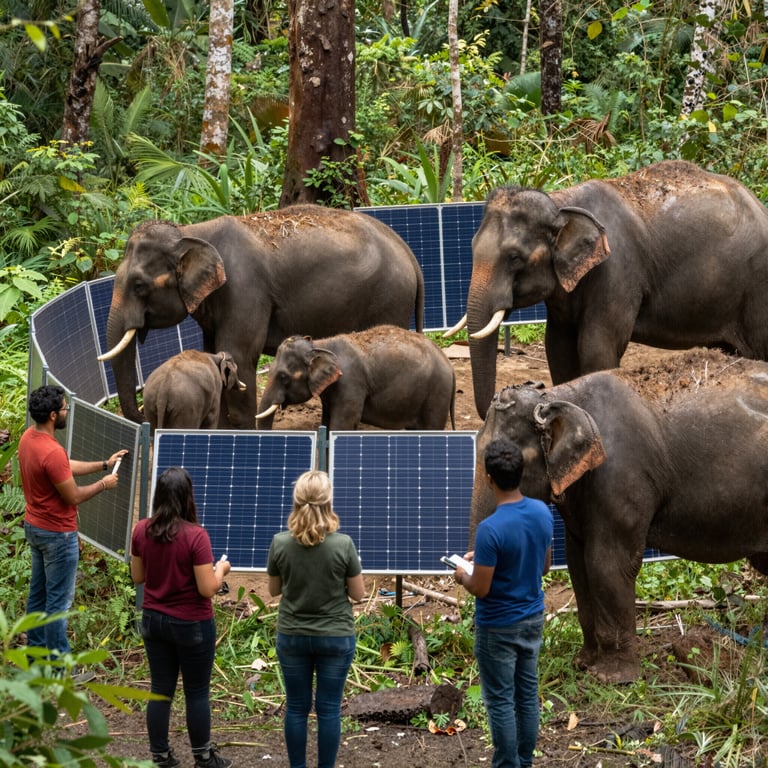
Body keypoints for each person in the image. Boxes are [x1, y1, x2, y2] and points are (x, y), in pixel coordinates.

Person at [455, 438, 553, 768]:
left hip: (497, 626)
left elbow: (480, 588)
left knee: (500, 700)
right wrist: (483, 559)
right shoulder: (542, 512)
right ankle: (524, 762)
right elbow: (544, 566)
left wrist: (462, 573)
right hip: (532, 619)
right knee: (527, 695)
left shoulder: (490, 529)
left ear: (488, 478)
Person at [130, 467, 233, 768]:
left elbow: (138, 576)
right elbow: (207, 588)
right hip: (192, 624)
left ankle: (160, 756)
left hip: (153, 621)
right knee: (197, 691)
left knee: (160, 690)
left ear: (157, 496)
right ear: (188, 497)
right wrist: (221, 570)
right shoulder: (196, 537)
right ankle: (202, 756)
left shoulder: (141, 530)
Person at [19, 384, 126, 657]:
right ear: (54, 415)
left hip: (35, 527)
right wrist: (104, 483)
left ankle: (35, 656)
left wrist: (104, 463)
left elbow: (64, 467)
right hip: (57, 536)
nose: (67, 411)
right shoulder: (51, 452)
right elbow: (73, 496)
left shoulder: (29, 439)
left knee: (38, 596)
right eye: (65, 408)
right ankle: (60, 668)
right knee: (57, 604)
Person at [267, 470, 366, 768]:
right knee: (328, 709)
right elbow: (359, 595)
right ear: (328, 501)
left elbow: (273, 591)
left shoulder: (280, 543)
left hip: (292, 635)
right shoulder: (344, 544)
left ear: (296, 501)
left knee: (296, 708)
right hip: (335, 637)